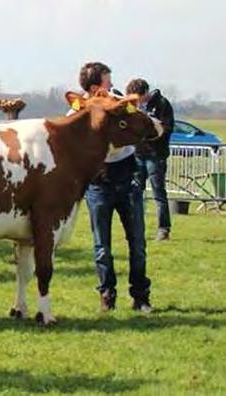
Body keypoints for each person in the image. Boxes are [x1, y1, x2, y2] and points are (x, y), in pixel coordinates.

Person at [75, 62, 152, 313]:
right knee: (101, 246)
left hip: (127, 176)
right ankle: (107, 295)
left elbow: (142, 125)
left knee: (137, 243)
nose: (112, 85)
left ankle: (140, 296)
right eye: (108, 81)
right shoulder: (77, 113)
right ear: (95, 86)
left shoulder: (120, 104)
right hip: (98, 183)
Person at [127, 78, 175, 241]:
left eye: (138, 98)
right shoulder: (132, 105)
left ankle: (163, 229)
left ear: (145, 93)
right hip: (138, 155)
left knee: (158, 193)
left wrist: (151, 131)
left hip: (156, 156)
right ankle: (135, 227)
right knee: (135, 192)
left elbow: (167, 128)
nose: (136, 102)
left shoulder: (162, 104)